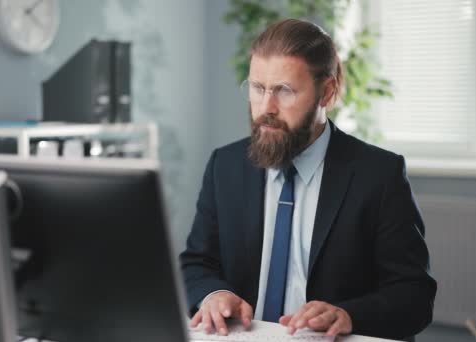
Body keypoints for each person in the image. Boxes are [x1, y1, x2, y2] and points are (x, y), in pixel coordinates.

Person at [179, 18, 436, 341]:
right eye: (258, 88)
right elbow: (197, 262)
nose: (266, 108)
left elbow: (414, 295)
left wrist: (348, 315)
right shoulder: (225, 165)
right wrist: (212, 293)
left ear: (326, 92)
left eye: (284, 91)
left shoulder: (379, 175)